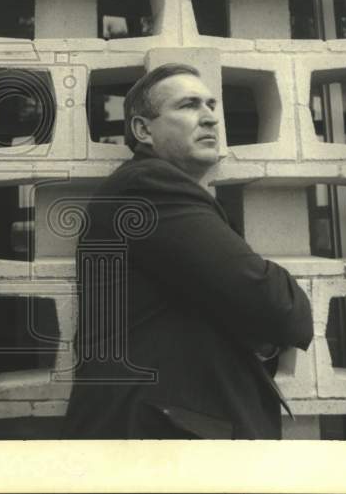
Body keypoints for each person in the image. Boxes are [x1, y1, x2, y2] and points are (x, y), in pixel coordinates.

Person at [62, 63, 313, 440]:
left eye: (211, 105)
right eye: (189, 105)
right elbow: (274, 301)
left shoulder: (157, 191)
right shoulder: (150, 187)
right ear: (143, 130)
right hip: (158, 441)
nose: (211, 118)